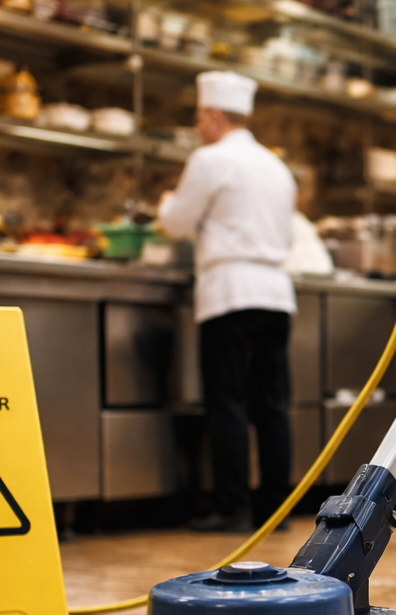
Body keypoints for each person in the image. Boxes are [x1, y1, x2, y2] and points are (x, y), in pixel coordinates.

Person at [159, 71, 297, 533]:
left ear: (214, 117)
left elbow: (177, 223)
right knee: (272, 406)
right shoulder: (277, 167)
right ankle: (275, 511)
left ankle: (232, 508)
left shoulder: (210, 159)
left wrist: (163, 205)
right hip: (277, 295)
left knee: (229, 404)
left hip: (230, 293)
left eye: (200, 118)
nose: (199, 127)